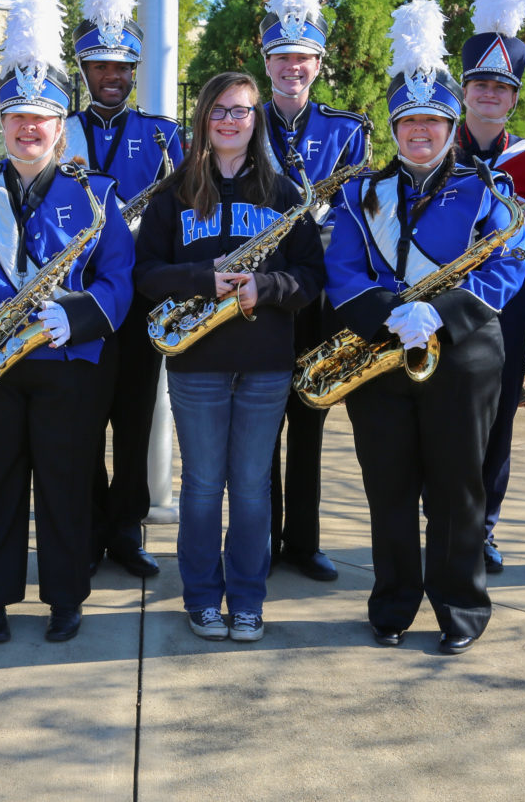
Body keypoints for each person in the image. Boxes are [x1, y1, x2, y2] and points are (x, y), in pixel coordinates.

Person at [0, 0, 133, 645]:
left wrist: (79, 317)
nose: (27, 128)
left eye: (40, 116)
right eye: (15, 115)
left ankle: (66, 599)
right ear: (1, 122)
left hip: (68, 362)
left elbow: (118, 278)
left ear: (60, 124)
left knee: (68, 486)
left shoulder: (95, 194)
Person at [324, 0, 525, 655]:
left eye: (432, 122)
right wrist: (390, 317)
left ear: (450, 126)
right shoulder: (361, 194)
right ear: (395, 126)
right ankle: (392, 606)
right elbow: (343, 272)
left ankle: (461, 610)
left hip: (463, 359)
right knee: (387, 490)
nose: (420, 132)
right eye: (408, 122)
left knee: (457, 492)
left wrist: (439, 313)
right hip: (380, 360)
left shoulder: (486, 193)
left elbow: (505, 273)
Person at [135, 71, 323, 643]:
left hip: (266, 363)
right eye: (218, 110)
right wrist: (204, 279)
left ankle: (246, 599)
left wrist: (263, 289)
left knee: (249, 487)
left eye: (240, 111)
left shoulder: (286, 193)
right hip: (196, 362)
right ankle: (201, 598)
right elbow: (144, 275)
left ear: (256, 118)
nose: (229, 120)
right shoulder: (172, 194)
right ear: (203, 118)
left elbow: (312, 277)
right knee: (200, 485)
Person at [67, 0, 184, 581]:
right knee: (83, 417)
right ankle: (86, 529)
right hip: (81, 299)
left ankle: (125, 529)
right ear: (84, 72)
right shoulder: (61, 131)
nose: (111, 77)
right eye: (100, 68)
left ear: (133, 73)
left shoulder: (165, 135)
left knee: (136, 421)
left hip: (141, 297)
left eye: (121, 69)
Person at [257, 0, 370, 583]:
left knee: (311, 409)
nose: (292, 66)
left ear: (319, 64)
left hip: (324, 290)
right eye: (282, 57)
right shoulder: (245, 122)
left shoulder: (348, 130)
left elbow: (355, 206)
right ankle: (262, 538)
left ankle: (303, 539)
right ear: (267, 63)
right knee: (262, 416)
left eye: (303, 57)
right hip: (270, 285)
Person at [455, 0, 525, 575]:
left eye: (501, 88)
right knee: (442, 408)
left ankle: (484, 524)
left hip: (507, 299)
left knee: (499, 411)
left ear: (513, 99)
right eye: (480, 85)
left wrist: (511, 234)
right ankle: (441, 516)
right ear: (463, 89)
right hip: (437, 294)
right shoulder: (435, 143)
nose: (489, 96)